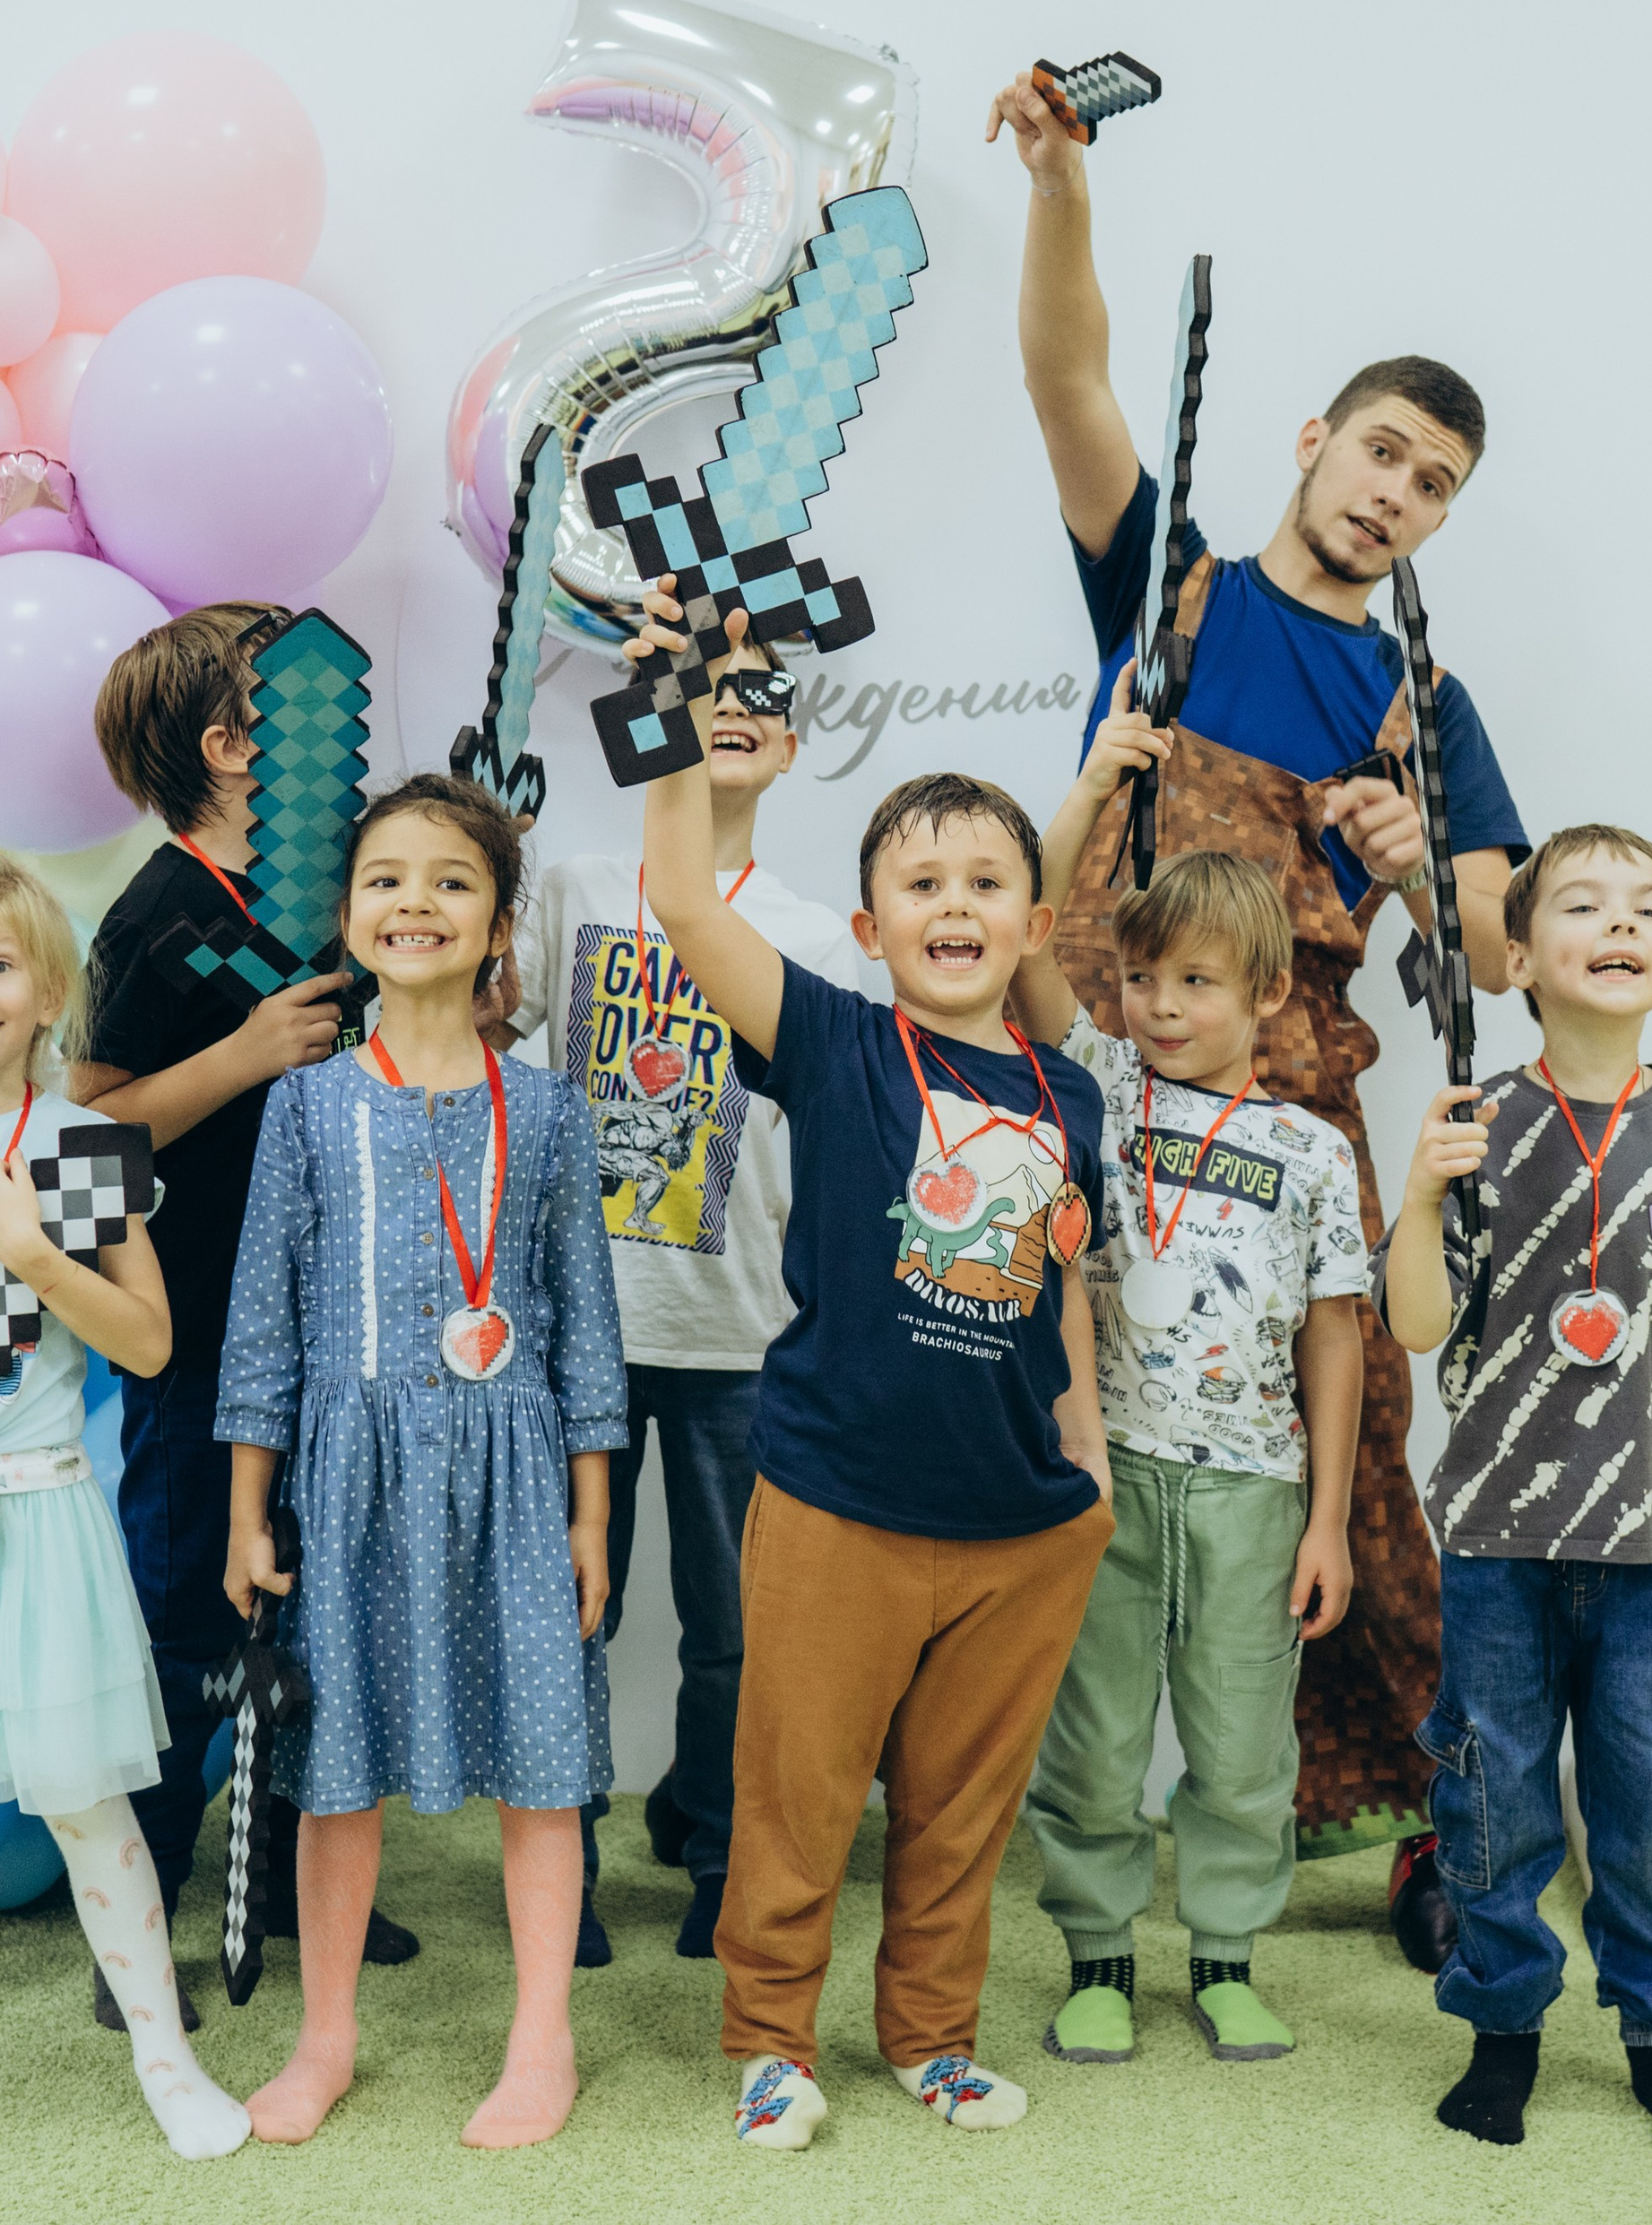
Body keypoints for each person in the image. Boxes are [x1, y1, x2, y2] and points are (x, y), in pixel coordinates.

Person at [986, 68, 1529, 1939]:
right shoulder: (1176, 591)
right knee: (1016, 1427)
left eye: (1432, 484)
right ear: (1311, 438)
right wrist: (1059, 191)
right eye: (1380, 449)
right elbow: (1070, 388)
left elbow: (1500, 937)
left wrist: (1420, 854)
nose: (1395, 494)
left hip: (1292, 1134)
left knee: (1353, 1461)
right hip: (1083, 1082)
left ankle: (1424, 1824)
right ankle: (982, 1809)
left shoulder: (1419, 710)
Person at [632, 603, 1113, 2151]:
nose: (956, 905)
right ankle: (772, 2039)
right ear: (872, 925)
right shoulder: (835, 1041)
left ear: (1033, 925)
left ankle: (933, 2037)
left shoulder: (1071, 1092)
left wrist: (1087, 1472)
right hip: (837, 1498)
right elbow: (688, 909)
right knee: (797, 1791)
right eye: (924, 884)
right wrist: (667, 714)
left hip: (1019, 1525)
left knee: (963, 1813)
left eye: (987, 884)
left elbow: (1067, 1287)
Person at [218, 775, 623, 2150]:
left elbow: (585, 1327)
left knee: (543, 1759)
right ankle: (323, 2038)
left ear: (501, 923)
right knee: (334, 1769)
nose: (415, 902)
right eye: (386, 878)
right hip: (345, 1478)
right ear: (346, 916)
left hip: (513, 1473)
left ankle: (541, 2041)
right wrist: (246, 1513)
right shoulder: (307, 1104)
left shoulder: (551, 1109)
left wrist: (591, 1512)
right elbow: (262, 1320)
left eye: (451, 880)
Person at [1371, 826, 1652, 2152]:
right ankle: (1504, 2034)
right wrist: (1421, 1203)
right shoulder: (1481, 1120)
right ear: (1518, 956)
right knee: (1490, 1793)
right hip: (1499, 1537)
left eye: (1646, 908)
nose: (1621, 925)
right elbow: (1422, 1329)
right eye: (1586, 905)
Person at [0, 848, 249, 2160]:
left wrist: (26, 1256)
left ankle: (164, 2057)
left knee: (86, 1803)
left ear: (48, 988)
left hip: (37, 1517)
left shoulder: (80, 1149)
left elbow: (146, 1343)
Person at [506, 584, 864, 1967]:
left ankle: (717, 1845)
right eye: (706, 684)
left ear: (791, 742)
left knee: (735, 1628)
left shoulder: (825, 937)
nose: (734, 704)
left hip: (739, 1336)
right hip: (572, 1331)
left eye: (762, 691)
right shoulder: (578, 891)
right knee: (569, 1612)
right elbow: (487, 1019)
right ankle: (566, 1856)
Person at [1009, 671, 1365, 2065]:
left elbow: (1336, 1334)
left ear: (1267, 995)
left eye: (1195, 982)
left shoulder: (1314, 1151)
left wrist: (1328, 1516)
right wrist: (1094, 787)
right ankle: (1098, 1956)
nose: (1158, 1004)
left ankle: (1224, 1955)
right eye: (1145, 976)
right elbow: (1034, 929)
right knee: (1092, 1738)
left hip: (1253, 1490)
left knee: (1239, 1745)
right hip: (1107, 1471)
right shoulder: (1096, 1080)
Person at [75, 604, 419, 2016]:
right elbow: (89, 1132)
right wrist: (244, 1055)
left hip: (339, 1327)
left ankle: (283, 1879)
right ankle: (142, 1917)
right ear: (230, 746)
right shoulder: (156, 915)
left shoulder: (336, 897)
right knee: (180, 1616)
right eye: (305, 714)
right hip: (200, 1338)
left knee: (316, 1604)